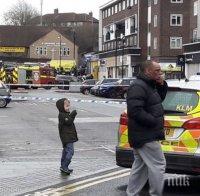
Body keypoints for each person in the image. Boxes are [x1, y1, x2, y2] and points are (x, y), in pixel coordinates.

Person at [126, 60, 168, 196]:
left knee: (141, 167)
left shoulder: (149, 85)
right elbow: (135, 110)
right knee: (159, 164)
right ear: (147, 71)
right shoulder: (138, 86)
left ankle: (131, 193)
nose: (160, 73)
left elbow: (156, 101)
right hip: (145, 134)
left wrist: (161, 85)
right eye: (157, 70)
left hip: (144, 134)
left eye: (160, 70)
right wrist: (153, 121)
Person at [56, 98, 78, 175]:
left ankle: (63, 166)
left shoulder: (65, 114)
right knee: (70, 152)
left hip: (68, 137)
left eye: (69, 106)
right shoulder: (62, 115)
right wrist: (73, 114)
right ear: (62, 107)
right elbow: (69, 121)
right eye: (66, 106)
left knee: (65, 152)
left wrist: (70, 113)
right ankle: (65, 166)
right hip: (67, 138)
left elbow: (69, 120)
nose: (68, 108)